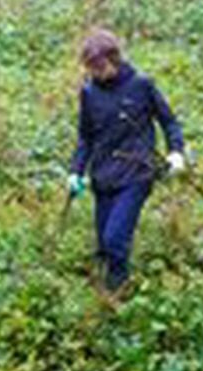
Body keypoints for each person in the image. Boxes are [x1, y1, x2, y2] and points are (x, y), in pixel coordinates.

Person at [67, 30, 191, 291]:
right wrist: (75, 171)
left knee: (114, 239)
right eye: (90, 68)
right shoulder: (89, 92)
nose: (95, 73)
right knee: (103, 244)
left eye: (99, 67)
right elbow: (85, 137)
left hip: (136, 173)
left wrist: (176, 152)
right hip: (103, 176)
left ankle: (118, 293)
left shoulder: (141, 85)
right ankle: (102, 287)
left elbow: (169, 121)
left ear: (114, 60)